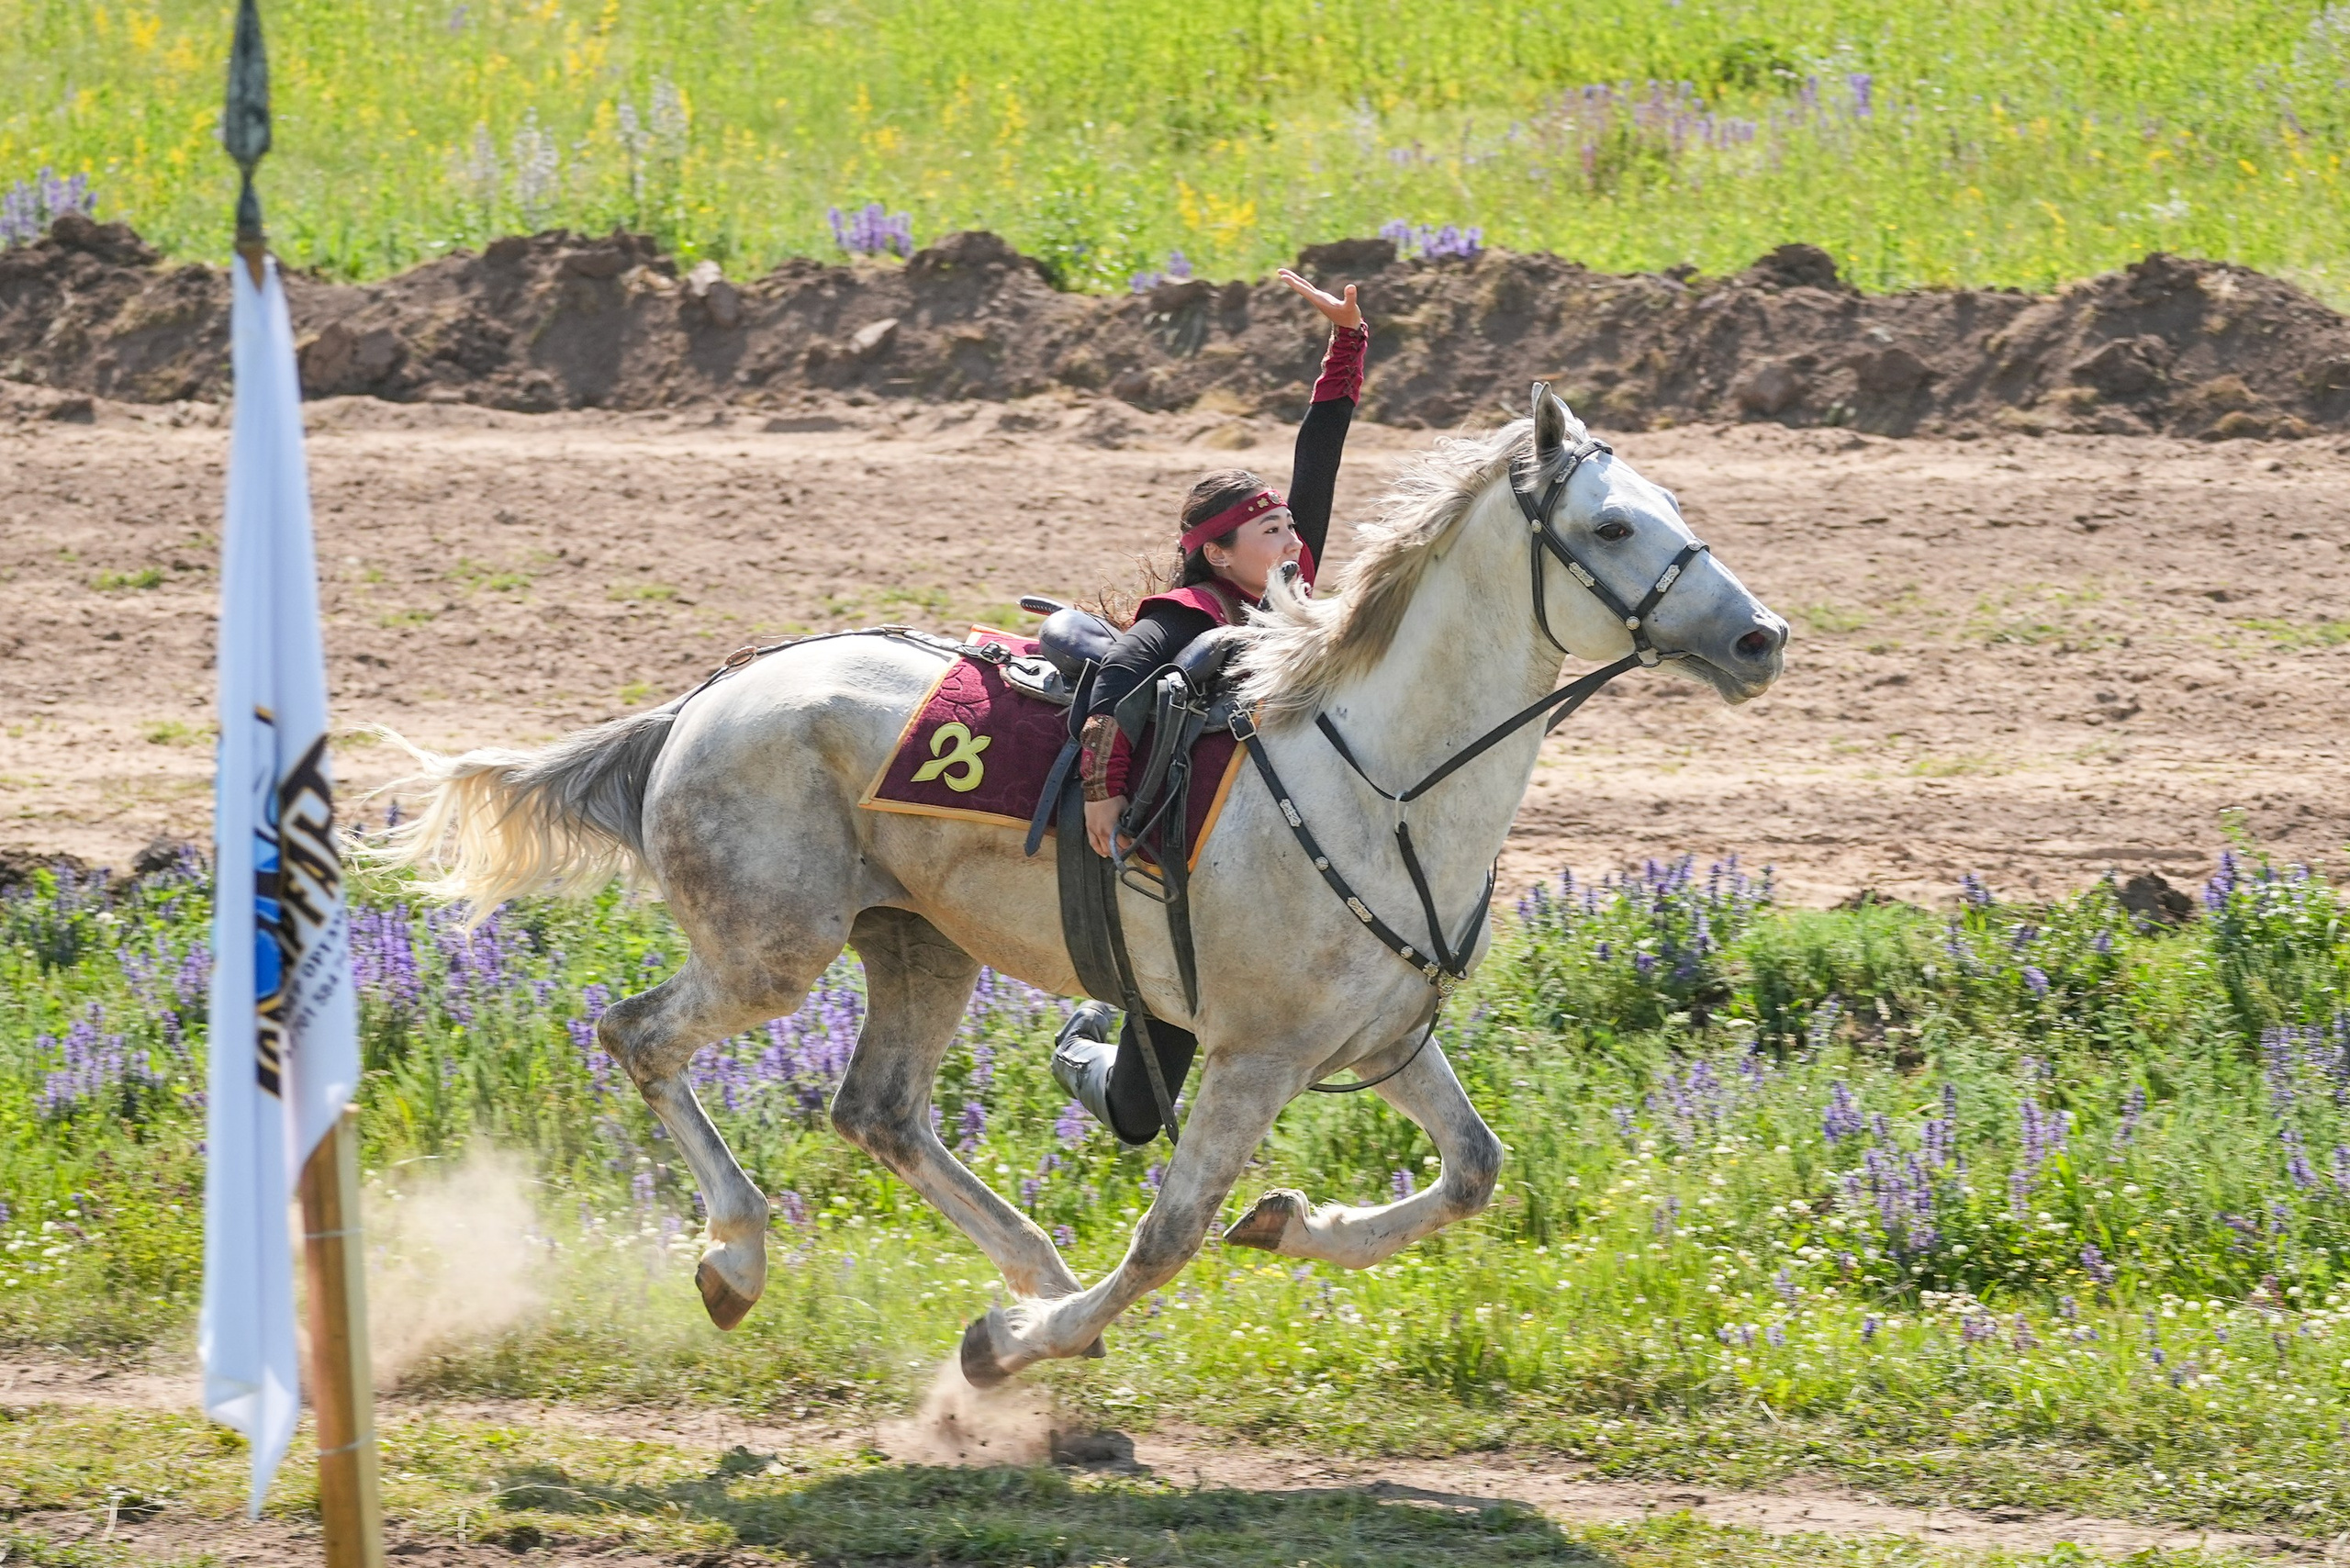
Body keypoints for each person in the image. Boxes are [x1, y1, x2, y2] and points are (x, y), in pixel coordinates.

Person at [1051, 267, 1369, 1145]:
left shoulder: (1285, 586)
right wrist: (1104, 793)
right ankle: (1078, 1048)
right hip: (1178, 874)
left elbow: (1322, 453)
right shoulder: (1181, 616)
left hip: (1259, 866)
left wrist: (1347, 343)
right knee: (1135, 1117)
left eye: (1289, 528)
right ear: (1219, 556)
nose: (1294, 538)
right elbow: (1112, 689)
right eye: (1271, 532)